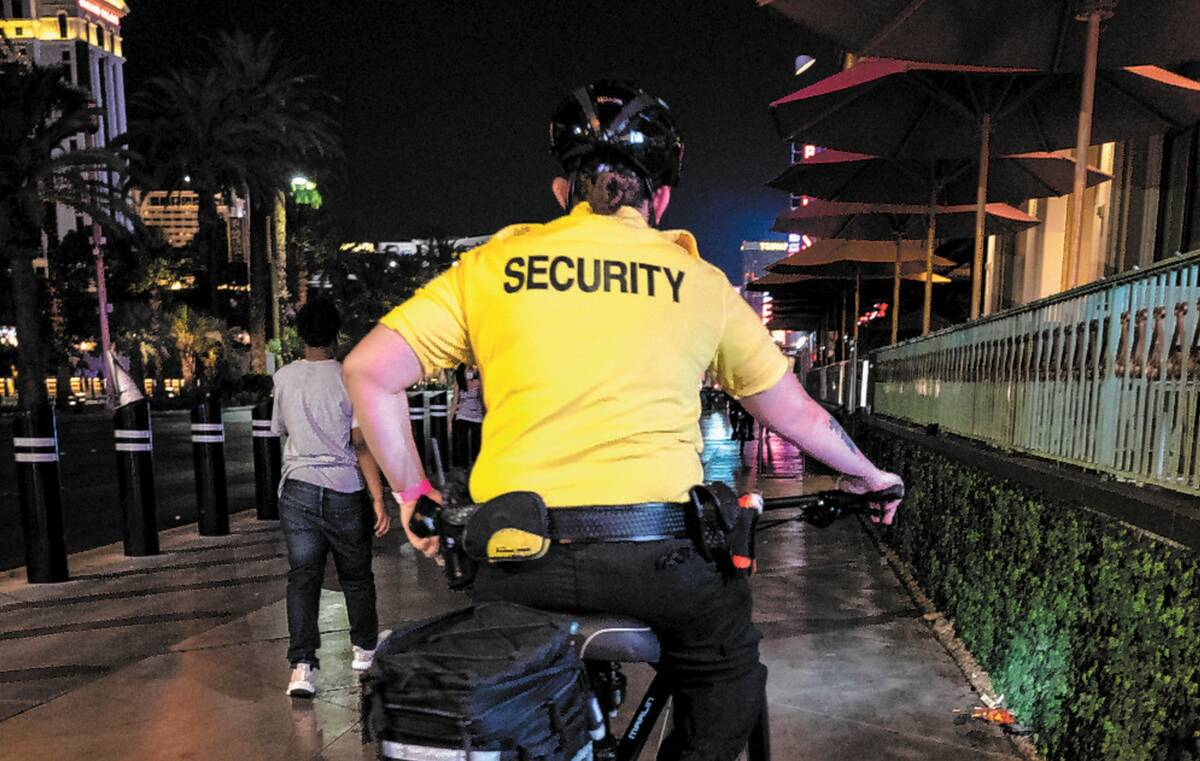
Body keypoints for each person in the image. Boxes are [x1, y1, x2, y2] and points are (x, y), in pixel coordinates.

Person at [343, 81, 903, 761]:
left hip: (518, 558)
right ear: (660, 199)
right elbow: (796, 413)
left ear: (562, 192)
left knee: (512, 687)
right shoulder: (698, 282)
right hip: (659, 560)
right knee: (729, 670)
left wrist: (413, 494)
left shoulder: (493, 265)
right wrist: (869, 475)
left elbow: (368, 370)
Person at [271, 299, 391, 699]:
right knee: (356, 576)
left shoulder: (284, 378)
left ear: (301, 335)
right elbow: (360, 446)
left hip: (298, 490)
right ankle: (364, 653)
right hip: (343, 489)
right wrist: (378, 498)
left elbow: (282, 429)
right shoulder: (348, 377)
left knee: (303, 579)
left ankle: (301, 669)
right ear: (335, 335)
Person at [450, 364, 484, 469]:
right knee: (462, 441)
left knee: (476, 442)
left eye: (471, 370)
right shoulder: (459, 385)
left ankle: (476, 464)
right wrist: (450, 420)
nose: (470, 372)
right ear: (463, 373)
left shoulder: (479, 383)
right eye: (467, 370)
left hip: (477, 416)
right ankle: (464, 466)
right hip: (462, 415)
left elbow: (483, 399)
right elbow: (455, 403)